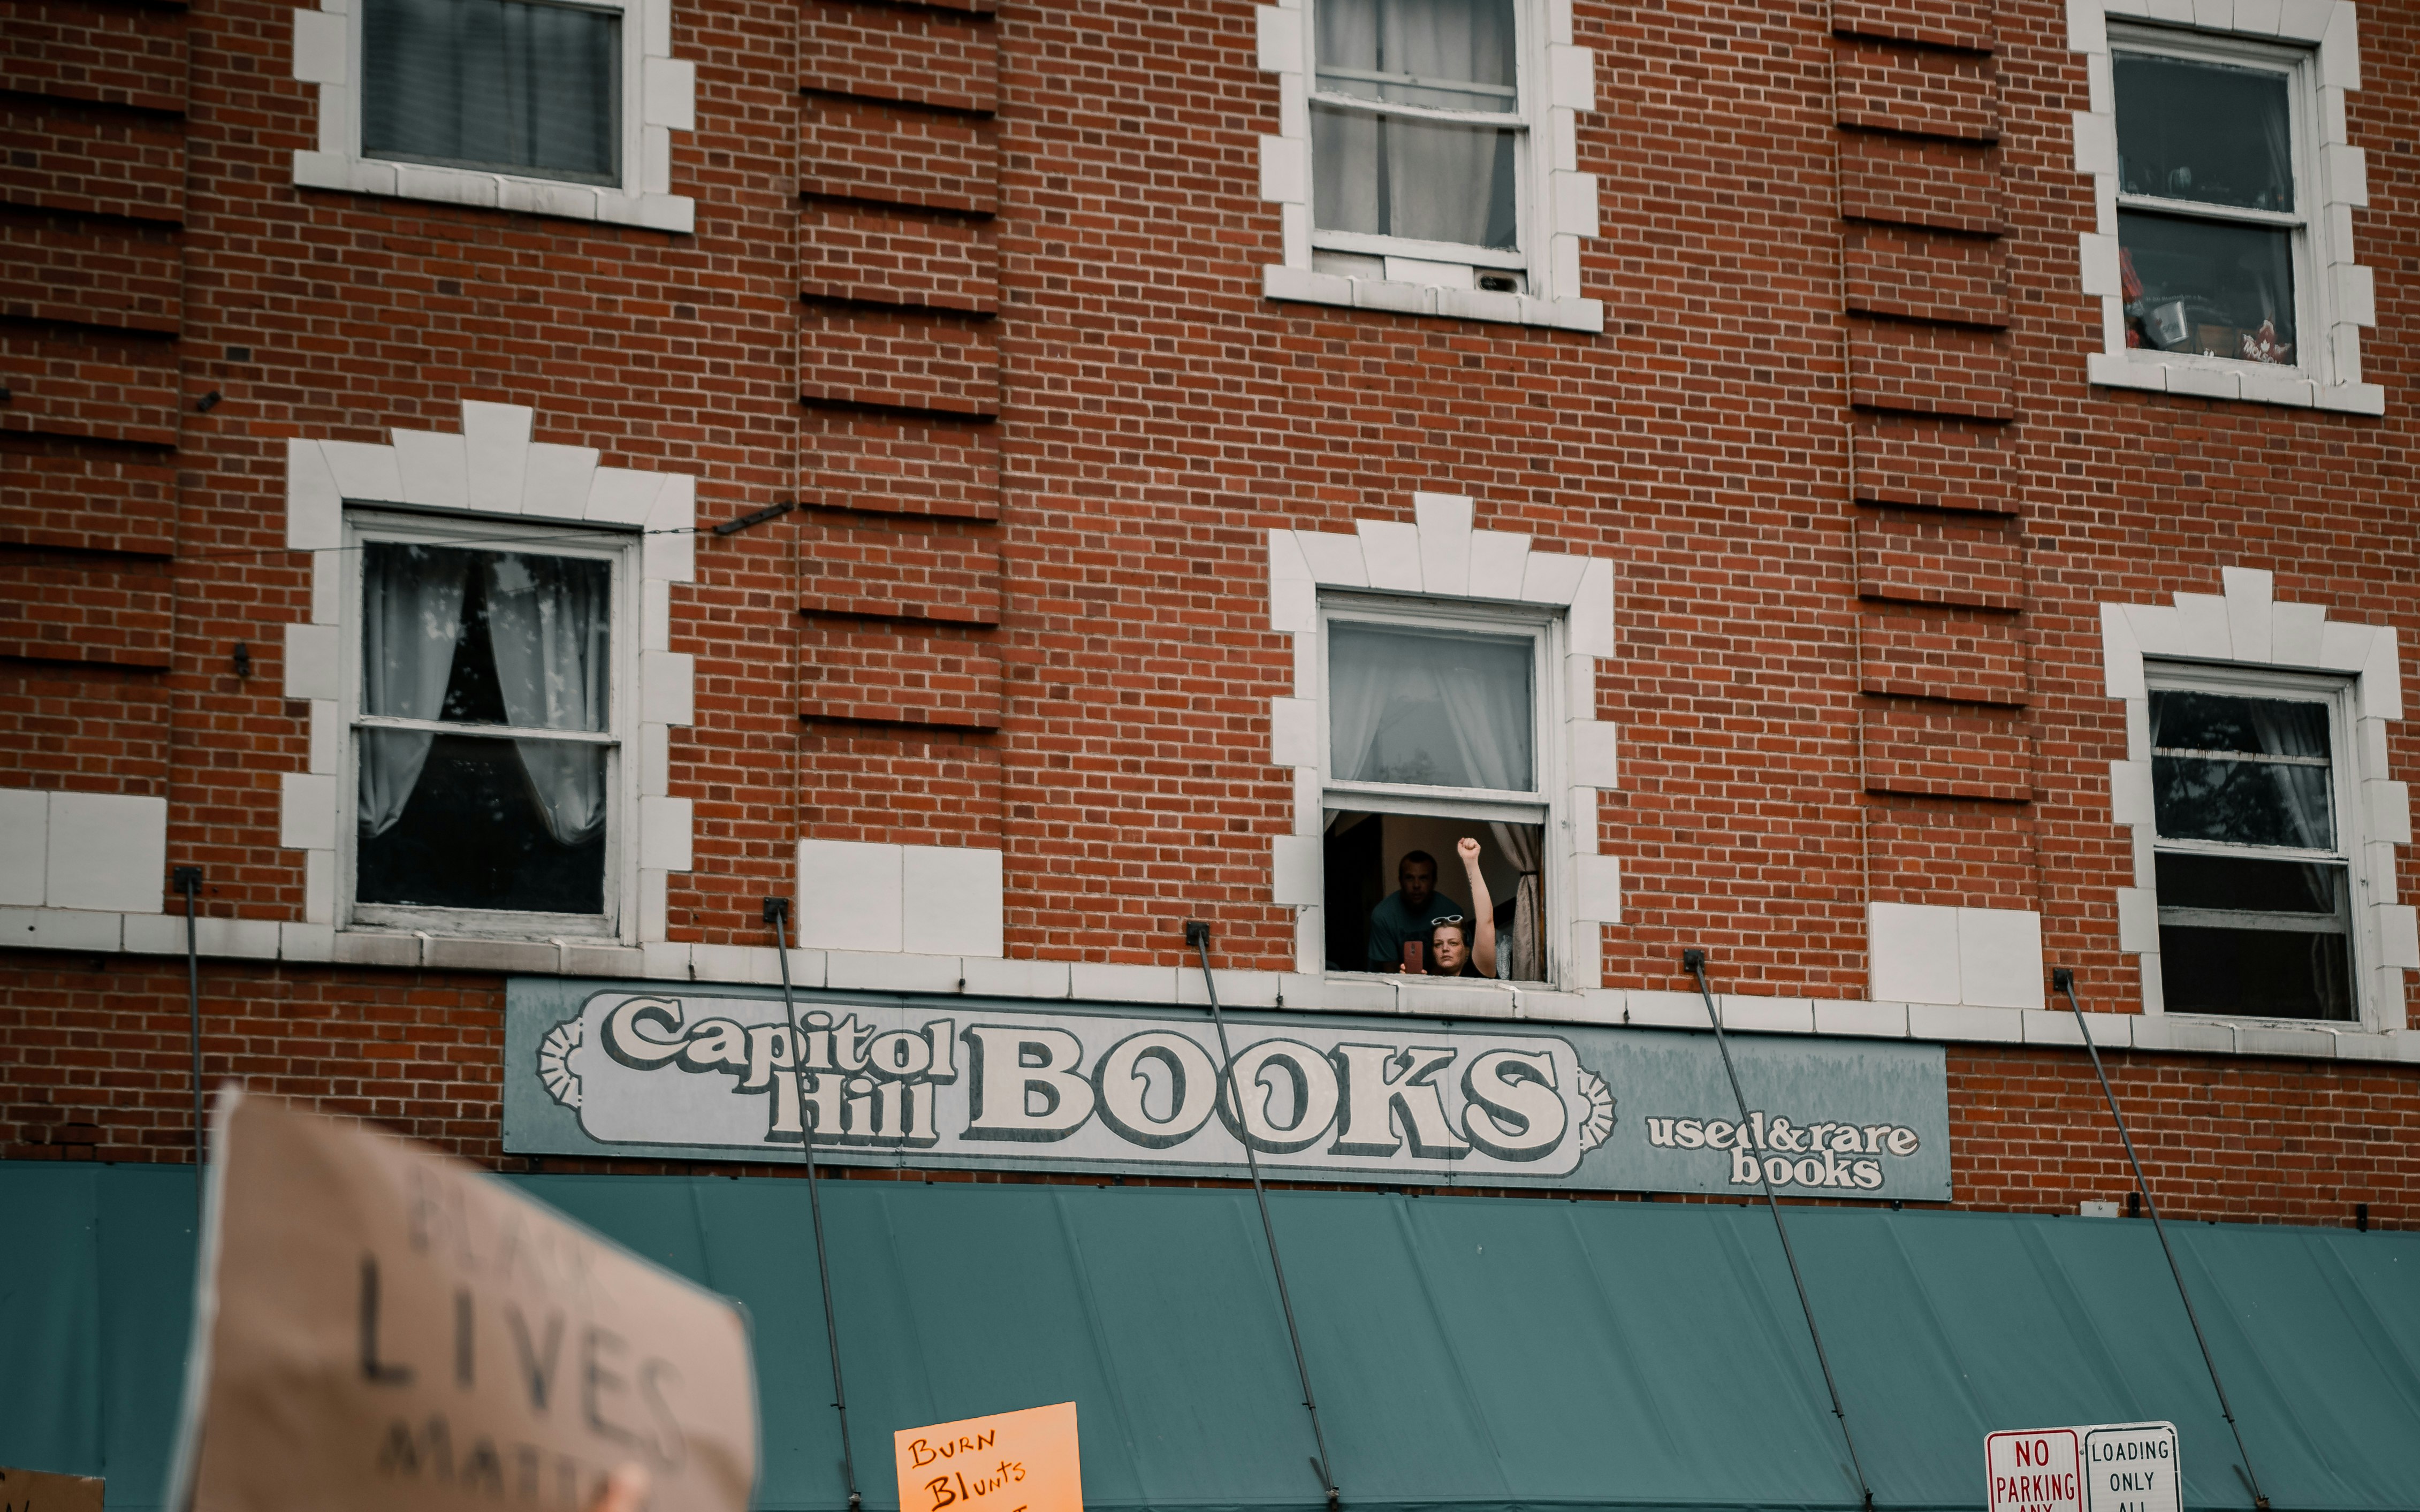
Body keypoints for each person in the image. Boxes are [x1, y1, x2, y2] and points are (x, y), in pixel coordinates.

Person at [1408, 837, 1498, 979]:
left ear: (1467, 950)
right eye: (1438, 944)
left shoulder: (1480, 971)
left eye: (1453, 943)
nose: (1445, 949)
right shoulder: (1429, 982)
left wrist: (1471, 862)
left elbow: (1485, 921)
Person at [1365, 849, 1465, 971]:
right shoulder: (1383, 915)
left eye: (1423, 878)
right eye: (1410, 878)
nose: (1416, 885)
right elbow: (1390, 972)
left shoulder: (1452, 913)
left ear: (1434, 881)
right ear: (1400, 881)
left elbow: (1454, 967)